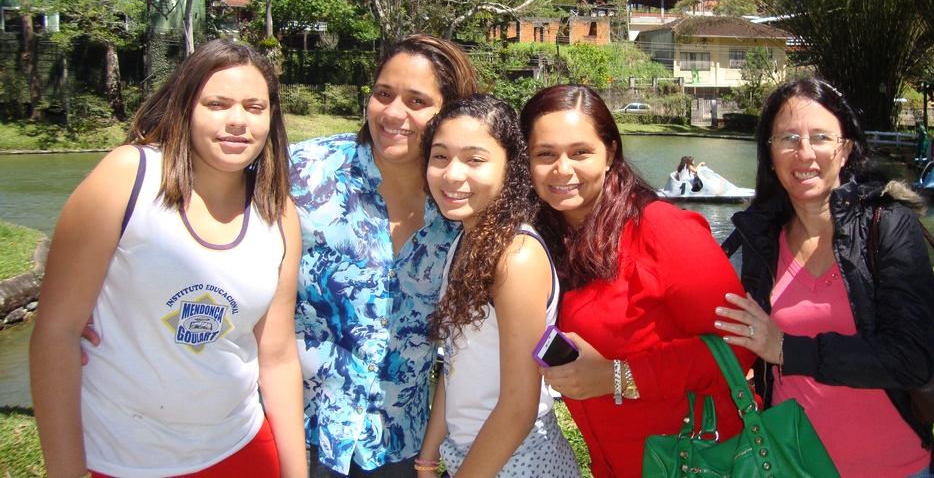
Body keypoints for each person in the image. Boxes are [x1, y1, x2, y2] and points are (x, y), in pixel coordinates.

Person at [31, 39, 306, 478]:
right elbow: (56, 334)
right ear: (185, 108)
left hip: (242, 447)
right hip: (120, 458)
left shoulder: (279, 211)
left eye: (255, 107)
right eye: (217, 104)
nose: (238, 120)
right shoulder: (128, 177)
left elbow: (277, 357)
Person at [518, 84, 755, 478]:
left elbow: (740, 346)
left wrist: (617, 376)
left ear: (610, 153)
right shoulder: (541, 242)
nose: (562, 169)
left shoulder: (661, 230)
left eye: (580, 152)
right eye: (545, 154)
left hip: (699, 462)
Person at [716, 77, 934, 478]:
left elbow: (912, 358)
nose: (804, 153)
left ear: (846, 149)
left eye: (821, 137)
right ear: (770, 153)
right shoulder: (761, 238)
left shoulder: (887, 224)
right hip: (789, 465)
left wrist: (787, 349)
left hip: (894, 468)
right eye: (788, 139)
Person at [289, 34, 478, 477]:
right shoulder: (303, 171)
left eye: (417, 101)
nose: (393, 113)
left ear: (449, 114)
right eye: (383, 94)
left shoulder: (460, 207)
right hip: (302, 435)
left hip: (400, 445)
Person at [416, 94, 582, 478]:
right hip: (472, 456)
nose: (452, 174)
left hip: (519, 462)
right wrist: (428, 457)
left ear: (510, 168)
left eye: (474, 160)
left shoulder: (515, 257)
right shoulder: (465, 240)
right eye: (440, 156)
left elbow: (518, 408)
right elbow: (455, 362)